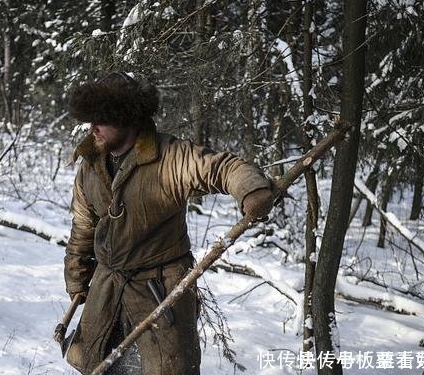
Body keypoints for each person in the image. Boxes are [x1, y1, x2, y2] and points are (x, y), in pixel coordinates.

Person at [64, 72, 274, 375]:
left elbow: (223, 167)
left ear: (127, 118)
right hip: (107, 290)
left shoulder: (170, 157)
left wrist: (251, 189)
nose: (92, 128)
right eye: (90, 119)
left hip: (159, 292)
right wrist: (77, 277)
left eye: (102, 120)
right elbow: (83, 226)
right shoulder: (91, 164)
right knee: (99, 364)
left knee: (167, 369)